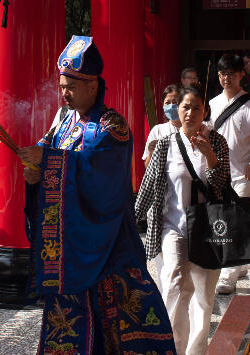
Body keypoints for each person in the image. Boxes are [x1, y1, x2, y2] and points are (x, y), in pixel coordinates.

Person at [19, 35, 176, 355]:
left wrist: (49, 162)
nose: (65, 94)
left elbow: (101, 176)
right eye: (62, 86)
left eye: (71, 87)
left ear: (93, 85)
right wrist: (35, 175)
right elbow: (48, 153)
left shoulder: (111, 126)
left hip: (109, 245)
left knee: (119, 319)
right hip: (68, 248)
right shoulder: (62, 124)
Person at [135, 85, 230, 355]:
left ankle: (195, 350)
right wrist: (131, 220)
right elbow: (148, 185)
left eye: (196, 108)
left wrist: (209, 154)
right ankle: (171, 347)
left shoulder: (218, 142)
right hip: (173, 226)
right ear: (178, 110)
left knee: (203, 295)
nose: (190, 113)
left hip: (209, 228)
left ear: (205, 112)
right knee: (176, 283)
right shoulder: (166, 143)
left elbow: (221, 185)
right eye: (185, 107)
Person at [209, 53, 250, 294]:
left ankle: (228, 274)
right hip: (220, 172)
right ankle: (237, 263)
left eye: (231, 74)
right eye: (222, 74)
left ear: (241, 76)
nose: (226, 78)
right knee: (223, 220)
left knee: (239, 220)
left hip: (245, 172)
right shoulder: (214, 103)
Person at [143, 84, 182, 168]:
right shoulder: (157, 130)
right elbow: (147, 167)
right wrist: (151, 153)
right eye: (167, 103)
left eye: (175, 102)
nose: (171, 106)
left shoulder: (192, 128)